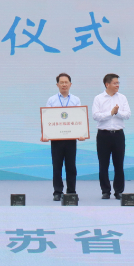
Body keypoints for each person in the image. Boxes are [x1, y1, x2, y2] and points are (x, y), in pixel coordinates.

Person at [45, 73, 84, 201]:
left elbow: (79, 118)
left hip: (71, 139)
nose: (64, 85)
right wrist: (46, 134)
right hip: (56, 139)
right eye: (61, 82)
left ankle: (71, 191)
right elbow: (47, 119)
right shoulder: (52, 100)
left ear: (70, 84)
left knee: (71, 167)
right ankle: (57, 192)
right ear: (57, 85)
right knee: (57, 167)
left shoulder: (76, 100)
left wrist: (81, 133)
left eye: (66, 82)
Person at [92, 73, 130, 200]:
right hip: (103, 135)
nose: (117, 85)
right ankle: (105, 191)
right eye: (115, 83)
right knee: (103, 164)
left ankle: (119, 191)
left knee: (119, 164)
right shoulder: (98, 98)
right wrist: (110, 113)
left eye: (118, 83)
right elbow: (96, 116)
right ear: (107, 84)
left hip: (118, 134)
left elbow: (127, 114)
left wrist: (117, 112)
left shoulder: (122, 98)